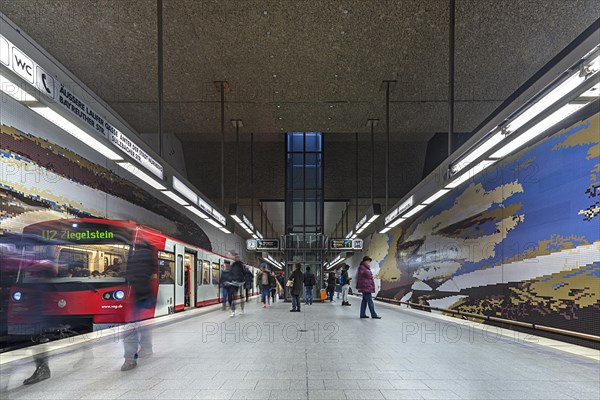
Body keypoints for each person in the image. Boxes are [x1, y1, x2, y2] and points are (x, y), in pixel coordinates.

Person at [121, 243, 155, 371]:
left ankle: (130, 359)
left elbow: (131, 274)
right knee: (143, 324)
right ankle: (146, 348)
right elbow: (150, 272)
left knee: (130, 327)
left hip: (135, 294)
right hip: (146, 293)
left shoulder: (136, 255)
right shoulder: (149, 255)